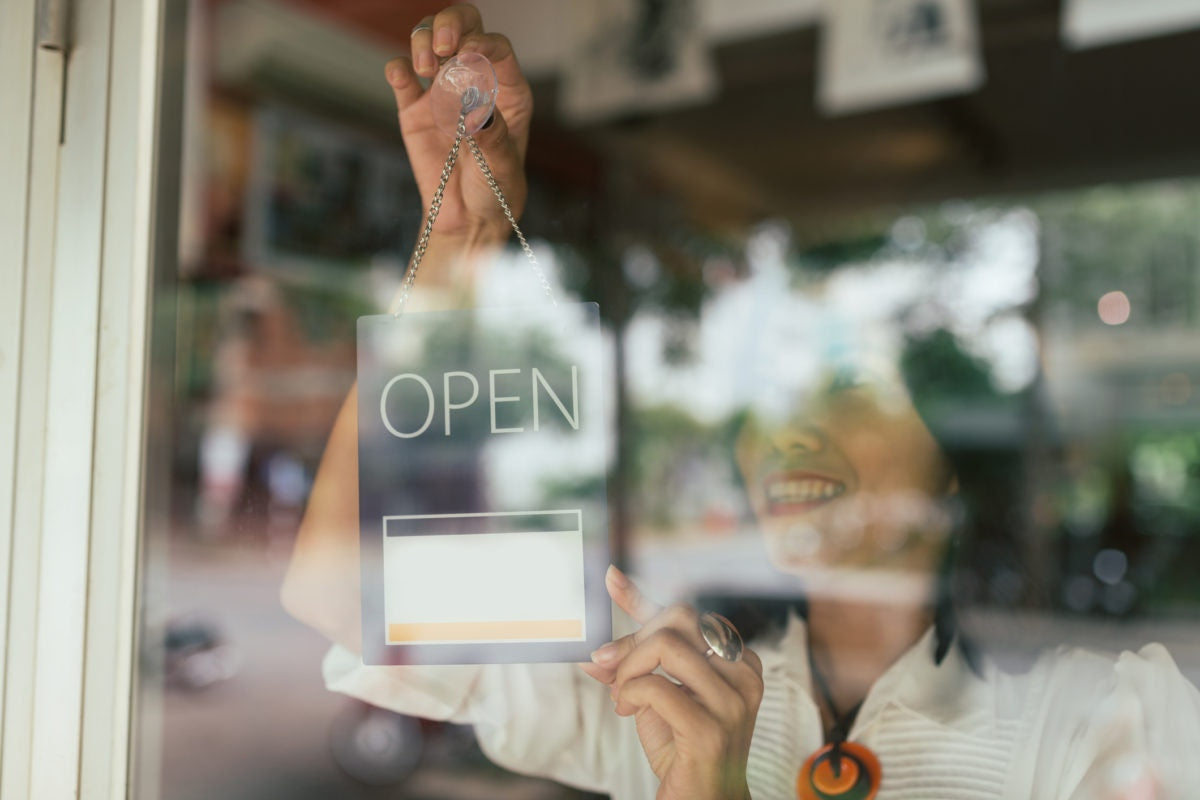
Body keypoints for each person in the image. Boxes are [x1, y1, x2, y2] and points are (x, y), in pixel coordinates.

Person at [281, 6, 1200, 799]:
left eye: (849, 389)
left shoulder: (1099, 716)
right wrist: (462, 238)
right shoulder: (650, 668)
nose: (789, 433)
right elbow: (345, 593)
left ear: (953, 456)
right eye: (766, 405)